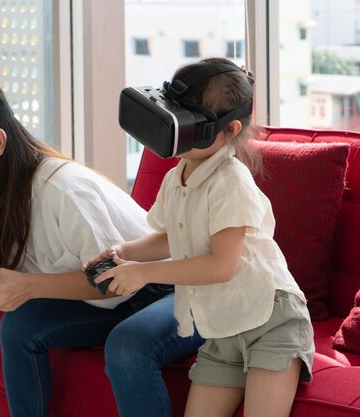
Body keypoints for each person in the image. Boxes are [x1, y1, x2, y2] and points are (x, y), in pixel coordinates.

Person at [0, 83, 203, 417]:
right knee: (18, 327)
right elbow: (8, 282)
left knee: (128, 347)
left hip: (172, 284)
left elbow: (110, 279)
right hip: (117, 297)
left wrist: (30, 287)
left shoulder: (62, 191)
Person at [87, 57, 315, 417]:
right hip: (221, 330)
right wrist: (123, 252)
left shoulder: (230, 182)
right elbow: (170, 238)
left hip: (271, 322)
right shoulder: (176, 177)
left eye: (189, 120)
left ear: (228, 129)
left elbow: (221, 266)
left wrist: (144, 273)